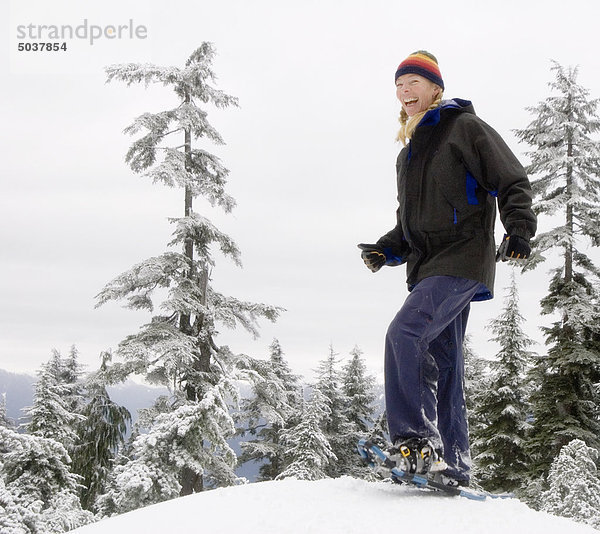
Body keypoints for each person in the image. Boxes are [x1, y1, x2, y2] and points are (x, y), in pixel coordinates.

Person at [358, 50, 537, 487]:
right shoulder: (409, 155)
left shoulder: (464, 128)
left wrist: (519, 230)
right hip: (429, 265)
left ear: (435, 88)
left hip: (463, 257)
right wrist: (388, 249)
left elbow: (510, 177)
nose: (405, 92)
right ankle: (453, 466)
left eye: (413, 82)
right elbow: (412, 221)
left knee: (405, 332)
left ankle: (415, 443)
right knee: (446, 361)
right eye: (399, 86)